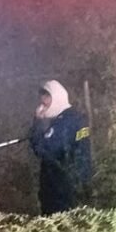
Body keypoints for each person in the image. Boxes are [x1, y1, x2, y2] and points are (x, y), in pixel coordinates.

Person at [29, 80, 92, 215]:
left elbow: (43, 149)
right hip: (77, 185)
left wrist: (37, 123)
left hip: (61, 189)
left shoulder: (64, 122)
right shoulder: (75, 117)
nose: (42, 103)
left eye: (46, 99)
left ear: (56, 97)